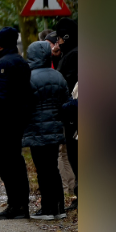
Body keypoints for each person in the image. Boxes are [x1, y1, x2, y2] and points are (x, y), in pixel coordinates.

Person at [0, 27, 34, 219]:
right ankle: (20, 203)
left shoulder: (5, 64)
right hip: (17, 119)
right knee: (15, 161)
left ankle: (16, 205)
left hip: (5, 121)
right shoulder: (19, 61)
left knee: (6, 163)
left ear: (2, 44)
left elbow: (1, 95)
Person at [23, 40, 70, 219]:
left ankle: (47, 208)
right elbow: (65, 102)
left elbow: (25, 104)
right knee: (53, 168)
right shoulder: (58, 76)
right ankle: (60, 208)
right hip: (55, 127)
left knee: (42, 169)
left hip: (36, 128)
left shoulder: (29, 77)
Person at [51, 18, 78, 184]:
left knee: (74, 155)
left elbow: (65, 82)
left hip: (73, 112)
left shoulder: (74, 55)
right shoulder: (70, 54)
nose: (58, 43)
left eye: (59, 39)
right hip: (70, 111)